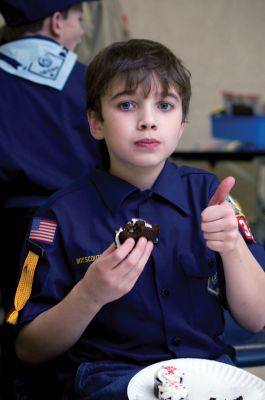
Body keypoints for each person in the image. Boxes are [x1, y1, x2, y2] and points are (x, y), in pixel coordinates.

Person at [13, 39, 265, 399]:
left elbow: (257, 319)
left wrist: (232, 248)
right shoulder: (58, 216)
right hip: (107, 377)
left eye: (164, 105)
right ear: (96, 122)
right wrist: (89, 294)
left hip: (208, 373)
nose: (148, 121)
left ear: (180, 126)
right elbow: (28, 348)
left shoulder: (210, 198)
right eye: (127, 104)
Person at [0, 0, 100, 398]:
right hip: (78, 229)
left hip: (6, 232)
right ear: (57, 22)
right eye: (78, 21)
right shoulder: (91, 83)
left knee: (17, 327)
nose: (78, 33)